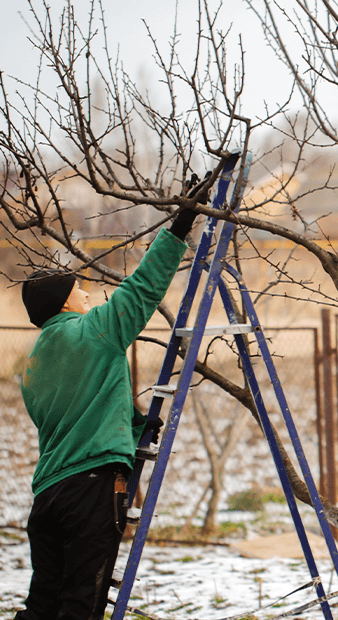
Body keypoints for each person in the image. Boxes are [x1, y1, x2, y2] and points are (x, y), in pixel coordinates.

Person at [14, 176, 209, 620]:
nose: (87, 293)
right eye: (78, 289)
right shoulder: (93, 332)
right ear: (64, 303)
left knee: (43, 604)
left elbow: (80, 412)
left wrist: (134, 423)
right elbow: (142, 290)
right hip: (90, 491)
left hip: (47, 496)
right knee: (81, 605)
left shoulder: (35, 364)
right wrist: (179, 227)